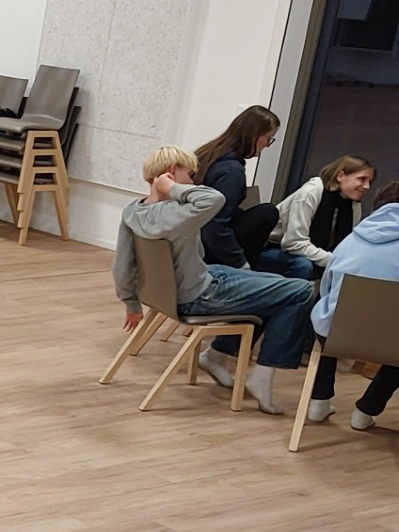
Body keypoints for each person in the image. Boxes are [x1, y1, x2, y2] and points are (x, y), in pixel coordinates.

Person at [112, 145, 315, 415]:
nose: (194, 182)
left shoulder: (132, 212)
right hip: (199, 295)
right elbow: (214, 199)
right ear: (172, 173)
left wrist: (131, 303)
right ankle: (262, 374)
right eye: (191, 175)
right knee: (301, 290)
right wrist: (173, 189)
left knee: (265, 281)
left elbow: (122, 266)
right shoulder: (177, 213)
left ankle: (218, 354)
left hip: (196, 282)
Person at [306, 182, 399, 426]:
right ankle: (366, 411)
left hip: (338, 335)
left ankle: (318, 401)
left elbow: (326, 288)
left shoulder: (350, 240)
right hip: (391, 342)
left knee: (325, 311)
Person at [193, 105, 282, 269]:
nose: (268, 145)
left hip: (194, 240)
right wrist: (240, 263)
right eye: (268, 138)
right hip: (209, 250)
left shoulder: (209, 153)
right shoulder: (232, 172)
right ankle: (249, 274)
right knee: (268, 213)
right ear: (254, 136)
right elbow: (216, 224)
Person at [264, 154, 376, 279]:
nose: (367, 187)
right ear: (341, 176)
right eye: (362, 179)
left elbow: (346, 245)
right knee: (303, 265)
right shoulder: (311, 192)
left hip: (314, 251)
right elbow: (293, 243)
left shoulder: (353, 205)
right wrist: (334, 260)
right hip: (274, 247)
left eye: (369, 182)